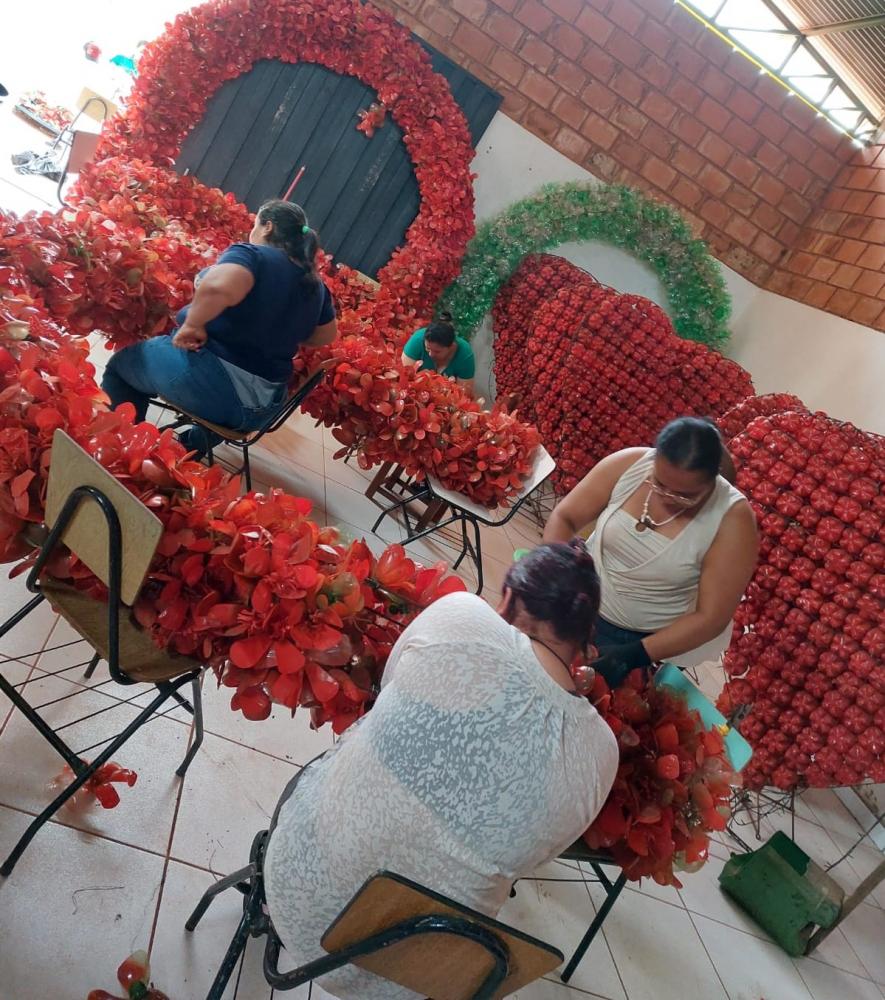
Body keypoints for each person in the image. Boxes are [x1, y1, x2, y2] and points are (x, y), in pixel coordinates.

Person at [264, 541, 618, 1000]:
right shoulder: (601, 753)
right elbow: (530, 858)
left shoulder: (463, 616)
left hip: (297, 888)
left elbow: (386, 690)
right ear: (582, 646)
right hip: (417, 970)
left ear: (508, 602)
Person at [102, 200, 337, 450]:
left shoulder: (253, 255)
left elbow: (219, 287)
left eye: (255, 224)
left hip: (213, 390)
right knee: (216, 409)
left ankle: (127, 451)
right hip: (261, 410)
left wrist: (193, 324)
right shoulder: (315, 285)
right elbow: (325, 336)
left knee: (121, 369)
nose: (252, 231)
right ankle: (186, 449)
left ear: (267, 227)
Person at [543, 417, 758, 687]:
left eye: (683, 496)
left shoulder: (733, 519)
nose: (666, 497)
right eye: (658, 483)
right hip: (572, 602)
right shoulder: (630, 463)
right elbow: (566, 517)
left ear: (711, 483)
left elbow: (710, 617)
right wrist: (552, 571)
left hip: (635, 640)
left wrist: (634, 655)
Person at [401, 312, 475, 396]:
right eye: (427, 349)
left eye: (437, 351)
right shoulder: (417, 339)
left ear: (452, 346)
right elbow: (403, 376)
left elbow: (464, 395)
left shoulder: (464, 354)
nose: (430, 354)